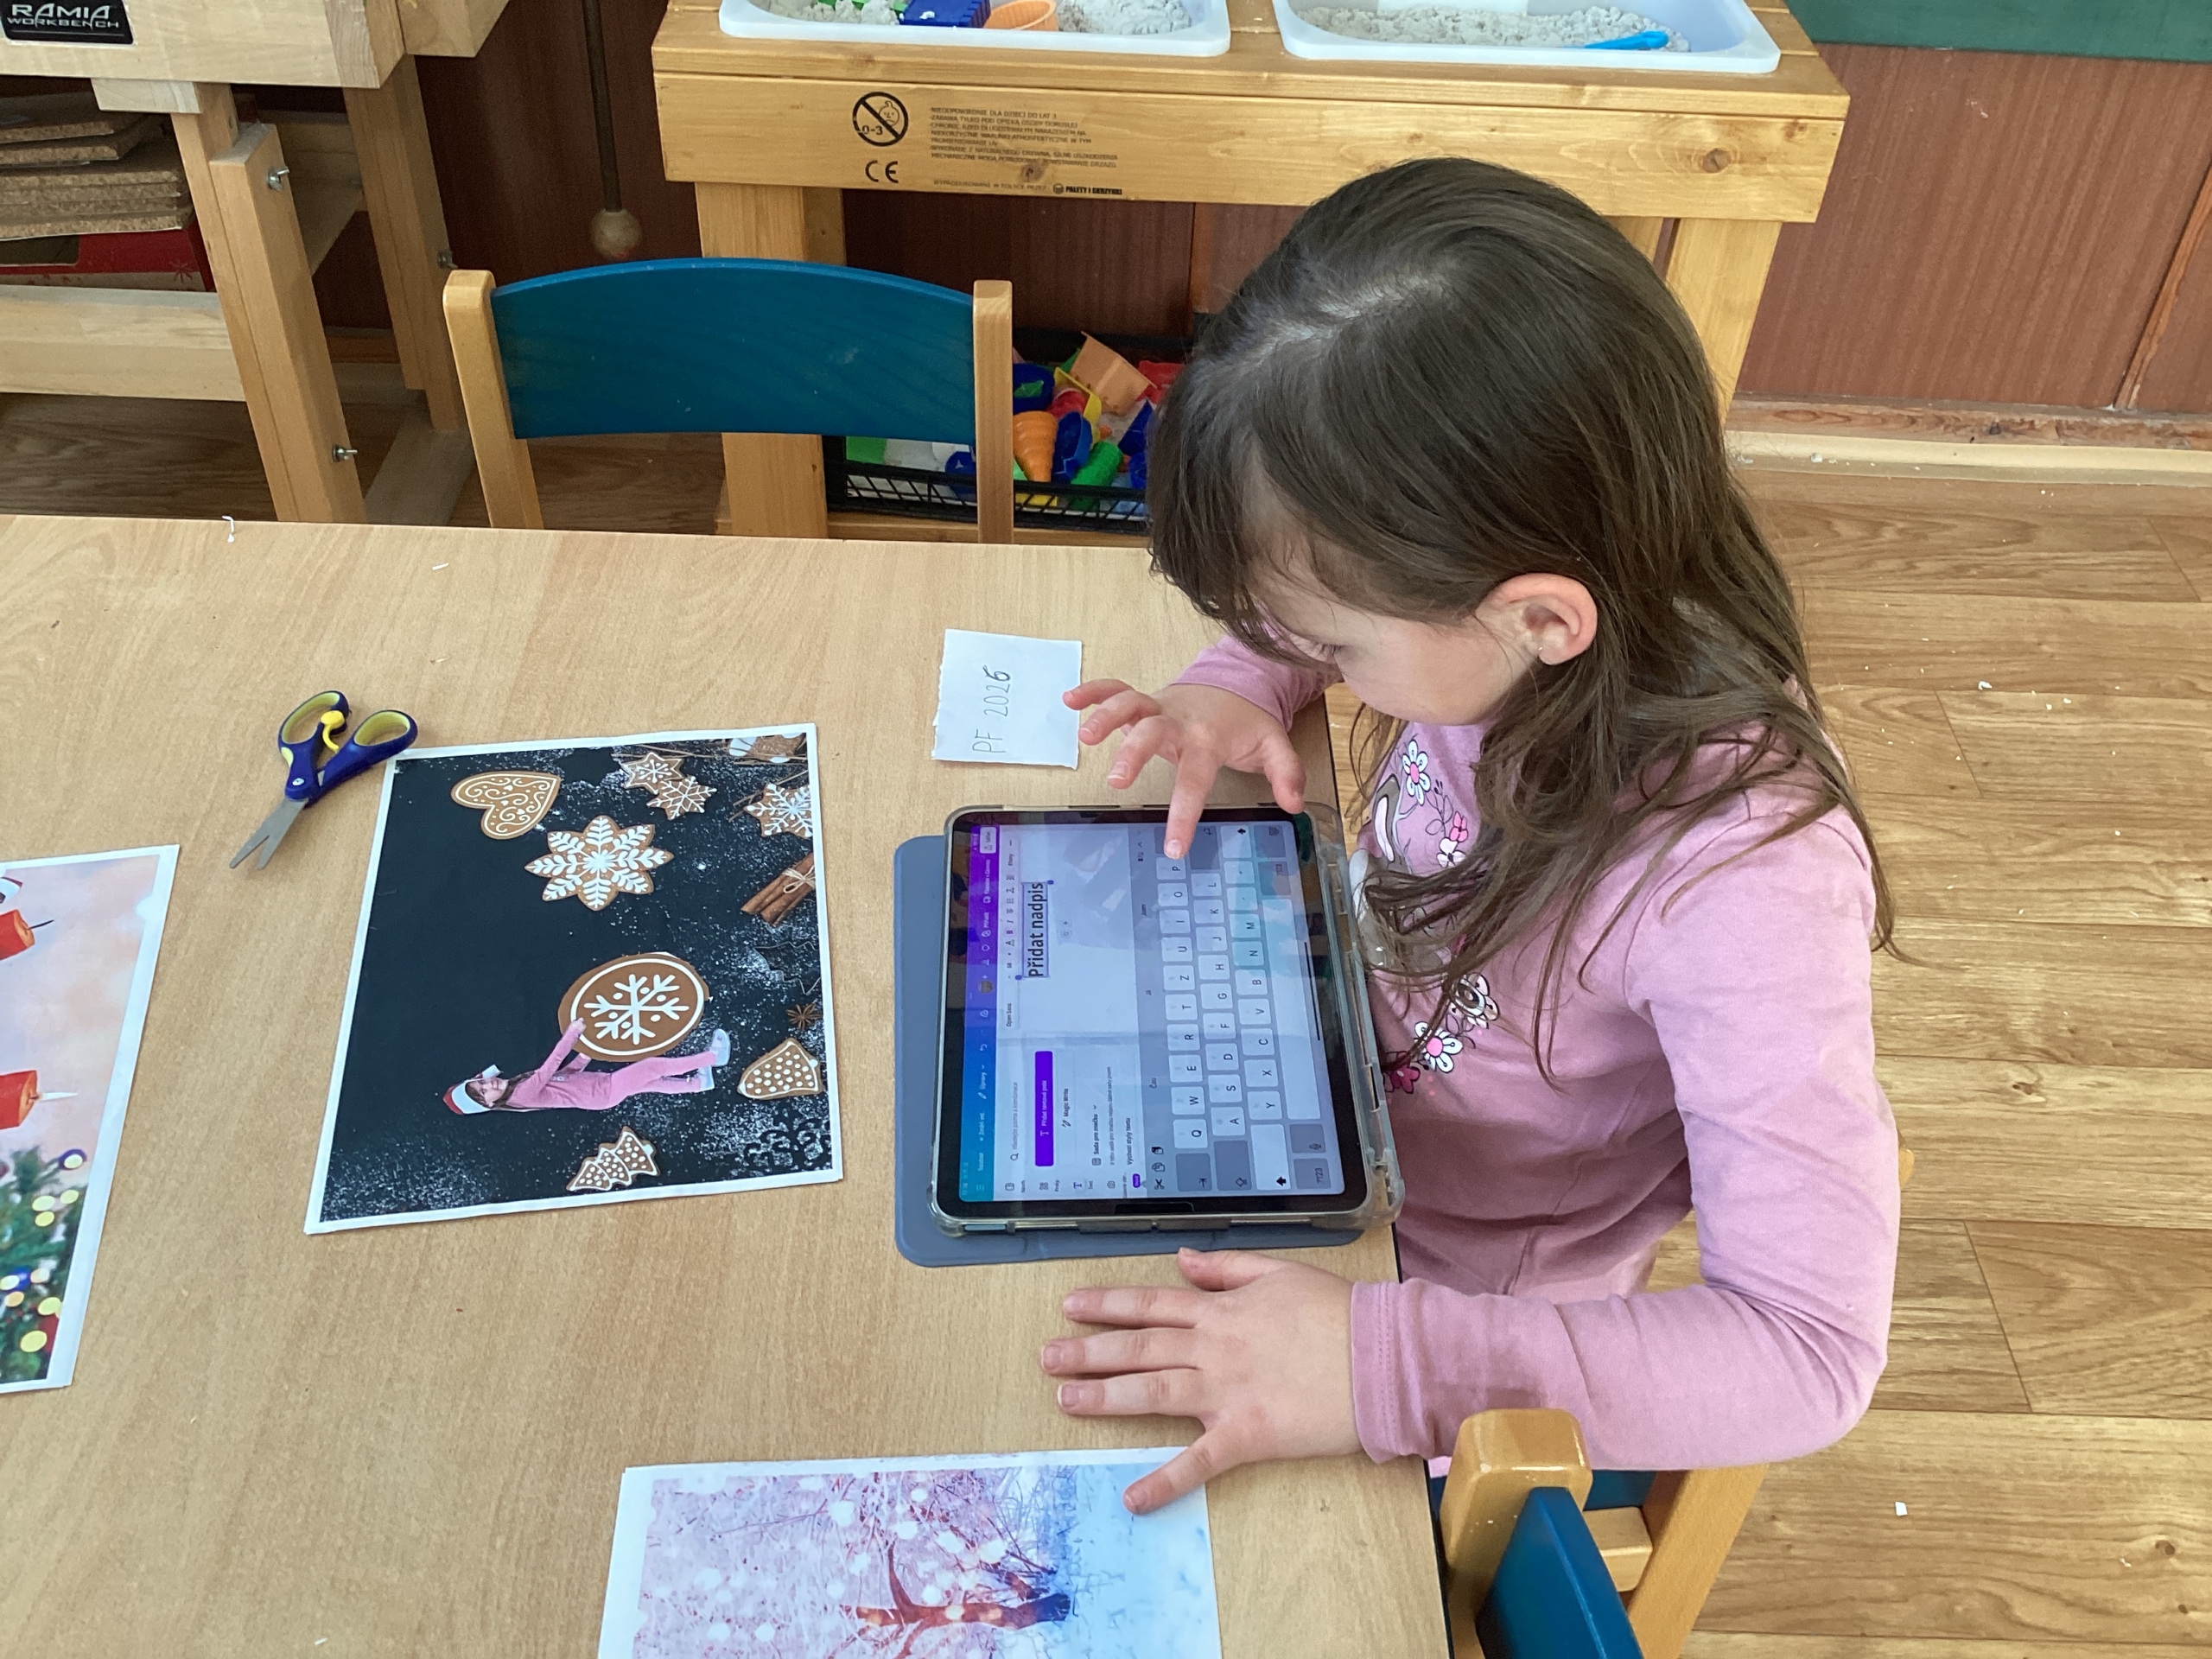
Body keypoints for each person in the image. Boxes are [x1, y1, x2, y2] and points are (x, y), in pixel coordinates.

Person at [1037, 157, 1901, 1516]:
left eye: (1332, 648)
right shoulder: (1543, 593)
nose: (1317, 664)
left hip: (1454, 1321)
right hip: (1314, 1111)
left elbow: (1809, 1352)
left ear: (1541, 618)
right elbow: (1339, 579)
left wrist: (1378, 1361)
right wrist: (1239, 679)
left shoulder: (1744, 880)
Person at [444, 1022, 729, 1115]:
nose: (489, 1085)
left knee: (650, 1083)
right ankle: (712, 1058)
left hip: (600, 1090)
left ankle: (698, 1083)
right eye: (484, 1092)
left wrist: (583, 1057)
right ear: (489, 1105)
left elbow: (563, 1077)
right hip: (603, 1092)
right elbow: (549, 1067)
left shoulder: (518, 1086)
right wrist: (572, 1034)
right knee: (652, 1067)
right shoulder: (521, 1095)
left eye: (482, 1083)